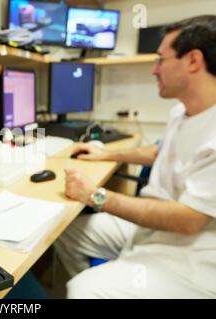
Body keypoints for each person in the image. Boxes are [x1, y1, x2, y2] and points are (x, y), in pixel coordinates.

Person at [54, 15, 216, 298]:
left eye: (161, 60)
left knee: (82, 290)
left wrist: (95, 196)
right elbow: (161, 151)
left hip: (192, 253)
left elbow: (188, 220)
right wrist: (105, 153)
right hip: (151, 228)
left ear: (193, 61)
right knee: (64, 231)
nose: (154, 70)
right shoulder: (183, 110)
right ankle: (114, 280)